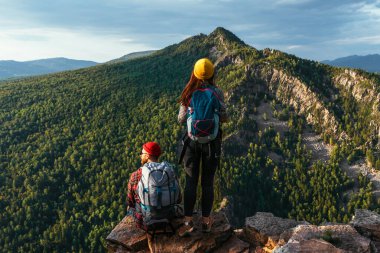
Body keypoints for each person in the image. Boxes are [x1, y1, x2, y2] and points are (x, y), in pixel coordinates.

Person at [177, 58, 228, 236]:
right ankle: (206, 221)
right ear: (212, 73)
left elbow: (181, 119)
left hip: (191, 144)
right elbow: (224, 117)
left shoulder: (189, 92)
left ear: (195, 73)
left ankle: (188, 221)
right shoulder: (217, 92)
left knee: (190, 182)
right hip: (211, 145)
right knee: (207, 183)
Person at [127, 141, 181, 233]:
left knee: (130, 208)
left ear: (147, 155)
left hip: (146, 222)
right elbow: (179, 198)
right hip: (169, 218)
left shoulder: (137, 175)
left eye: (142, 153)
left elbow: (130, 200)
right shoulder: (169, 172)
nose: (140, 155)